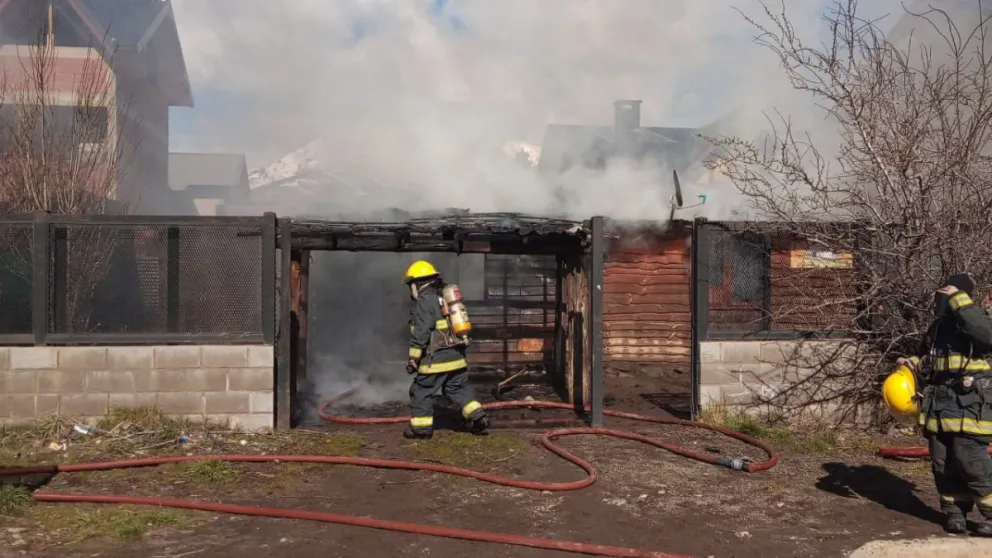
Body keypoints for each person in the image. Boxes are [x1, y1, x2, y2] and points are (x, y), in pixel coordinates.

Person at [898, 273, 992, 536]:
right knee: (943, 461)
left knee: (970, 458)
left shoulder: (978, 319)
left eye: (947, 295)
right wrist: (912, 363)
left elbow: (987, 337)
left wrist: (960, 302)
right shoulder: (938, 328)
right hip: (940, 404)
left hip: (971, 403)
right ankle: (955, 513)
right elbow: (927, 357)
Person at [402, 260, 489, 440]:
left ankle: (421, 429)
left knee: (421, 390)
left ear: (417, 283)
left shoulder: (426, 301)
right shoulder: (444, 296)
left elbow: (421, 332)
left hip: (436, 360)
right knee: (457, 388)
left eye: (410, 284)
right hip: (457, 356)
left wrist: (413, 359)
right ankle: (478, 417)